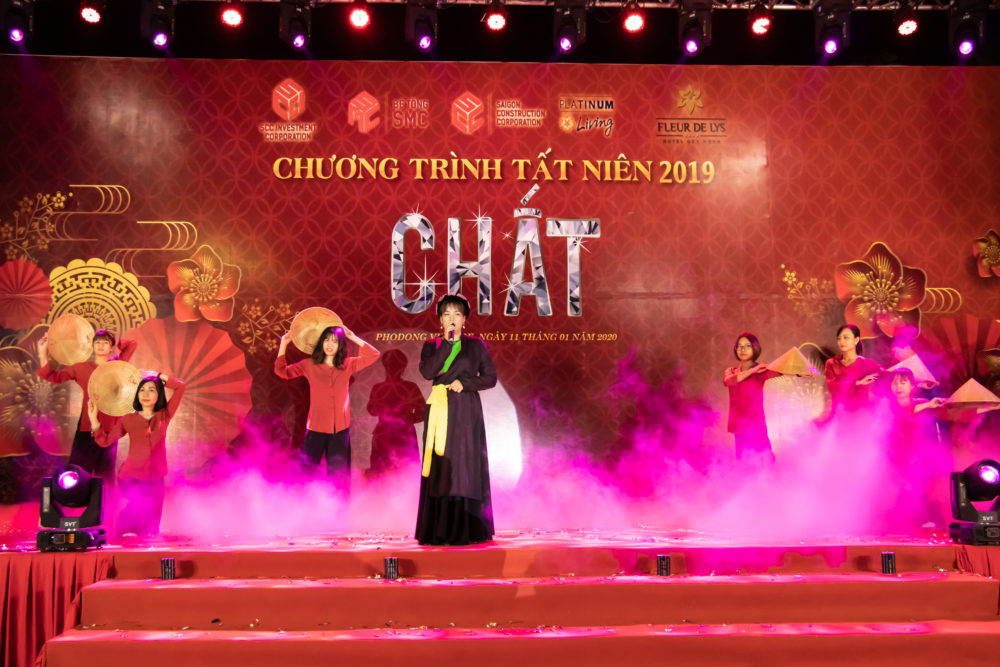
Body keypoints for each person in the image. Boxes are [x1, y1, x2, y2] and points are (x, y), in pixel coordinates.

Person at [416, 293, 497, 546]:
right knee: (441, 465)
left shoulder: (476, 345)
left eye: (457, 314)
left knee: (465, 464)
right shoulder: (432, 344)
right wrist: (448, 345)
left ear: (464, 319)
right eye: (447, 314)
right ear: (440, 319)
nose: (452, 319)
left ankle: (469, 527)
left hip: (465, 411)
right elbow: (428, 371)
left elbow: (490, 377)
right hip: (440, 409)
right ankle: (439, 528)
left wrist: (466, 383)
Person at [275, 324, 379, 490]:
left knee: (340, 479)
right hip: (315, 430)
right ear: (321, 343)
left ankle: (339, 506)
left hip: (340, 432)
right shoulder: (309, 364)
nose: (330, 344)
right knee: (305, 474)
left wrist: (352, 337)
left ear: (340, 345)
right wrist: (284, 343)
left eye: (335, 341)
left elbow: (373, 355)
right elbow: (282, 371)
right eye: (326, 340)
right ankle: (303, 504)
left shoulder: (347, 364)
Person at [89, 372, 184, 537]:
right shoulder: (128, 419)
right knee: (132, 514)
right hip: (131, 476)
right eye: (142, 390)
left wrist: (158, 375)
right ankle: (126, 527)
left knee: (152, 527)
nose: (146, 394)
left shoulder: (164, 415)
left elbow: (180, 387)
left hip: (156, 475)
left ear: (159, 395)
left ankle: (144, 535)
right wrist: (94, 421)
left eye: (151, 390)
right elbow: (104, 441)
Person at [37, 330, 137, 483]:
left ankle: (105, 499)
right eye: (97, 342)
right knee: (78, 472)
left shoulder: (117, 364)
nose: (101, 345)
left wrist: (112, 340)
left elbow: (132, 344)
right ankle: (77, 497)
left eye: (105, 343)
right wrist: (42, 353)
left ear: (111, 347)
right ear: (92, 346)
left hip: (110, 428)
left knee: (106, 474)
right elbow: (53, 376)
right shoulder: (81, 368)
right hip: (87, 426)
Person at [365, 348, 425, 478]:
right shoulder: (409, 387)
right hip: (396, 434)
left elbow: (371, 410)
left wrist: (405, 418)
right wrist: (406, 418)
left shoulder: (380, 387)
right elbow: (371, 410)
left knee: (386, 475)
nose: (391, 368)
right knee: (395, 474)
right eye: (390, 365)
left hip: (395, 434)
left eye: (394, 365)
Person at [723, 332, 781, 463]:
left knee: (764, 460)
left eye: (747, 346)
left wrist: (802, 372)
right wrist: (753, 370)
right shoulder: (731, 371)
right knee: (744, 463)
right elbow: (729, 381)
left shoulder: (761, 370)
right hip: (739, 426)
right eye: (739, 346)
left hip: (756, 425)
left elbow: (781, 370)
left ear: (755, 348)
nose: (742, 349)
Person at [824, 324, 881, 415]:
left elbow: (885, 376)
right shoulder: (831, 363)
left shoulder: (867, 364)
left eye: (846, 337)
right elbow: (833, 387)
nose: (841, 341)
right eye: (839, 338)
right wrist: (858, 382)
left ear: (856, 340)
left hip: (863, 414)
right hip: (840, 413)